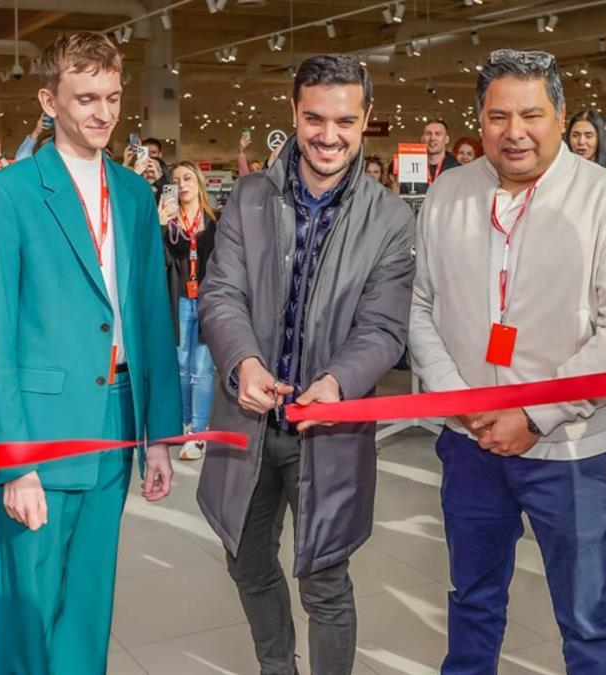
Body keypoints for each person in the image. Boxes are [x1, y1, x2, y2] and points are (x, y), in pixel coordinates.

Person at [409, 49, 606, 674]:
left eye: (531, 115)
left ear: (561, 117)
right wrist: (458, 397)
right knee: (472, 602)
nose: (514, 132)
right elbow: (421, 307)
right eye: (498, 117)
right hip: (468, 443)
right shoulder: (448, 194)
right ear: (480, 121)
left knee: (588, 620)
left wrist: (535, 414)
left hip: (571, 450)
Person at [0, 31, 181, 675]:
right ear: (49, 100)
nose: (103, 113)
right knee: (28, 607)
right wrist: (13, 462)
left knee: (89, 604)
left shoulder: (135, 195)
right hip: (41, 429)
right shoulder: (8, 194)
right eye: (86, 98)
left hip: (117, 417)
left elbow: (152, 317)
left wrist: (160, 437)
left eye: (112, 97)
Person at [197, 54, 415, 675]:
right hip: (248, 422)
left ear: (366, 119)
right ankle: (278, 667)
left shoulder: (390, 218)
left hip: (330, 429)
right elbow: (221, 293)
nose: (328, 135)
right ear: (294, 113)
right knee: (245, 559)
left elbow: (384, 327)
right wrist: (243, 361)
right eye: (315, 118)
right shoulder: (249, 197)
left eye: (344, 121)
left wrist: (338, 383)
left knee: (325, 578)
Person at [159, 160, 218, 461]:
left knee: (202, 370)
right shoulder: (169, 224)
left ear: (199, 183)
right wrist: (159, 225)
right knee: (181, 368)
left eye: (187, 178)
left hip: (208, 302)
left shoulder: (215, 220)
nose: (182, 184)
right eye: (176, 180)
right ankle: (185, 424)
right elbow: (161, 262)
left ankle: (198, 432)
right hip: (180, 300)